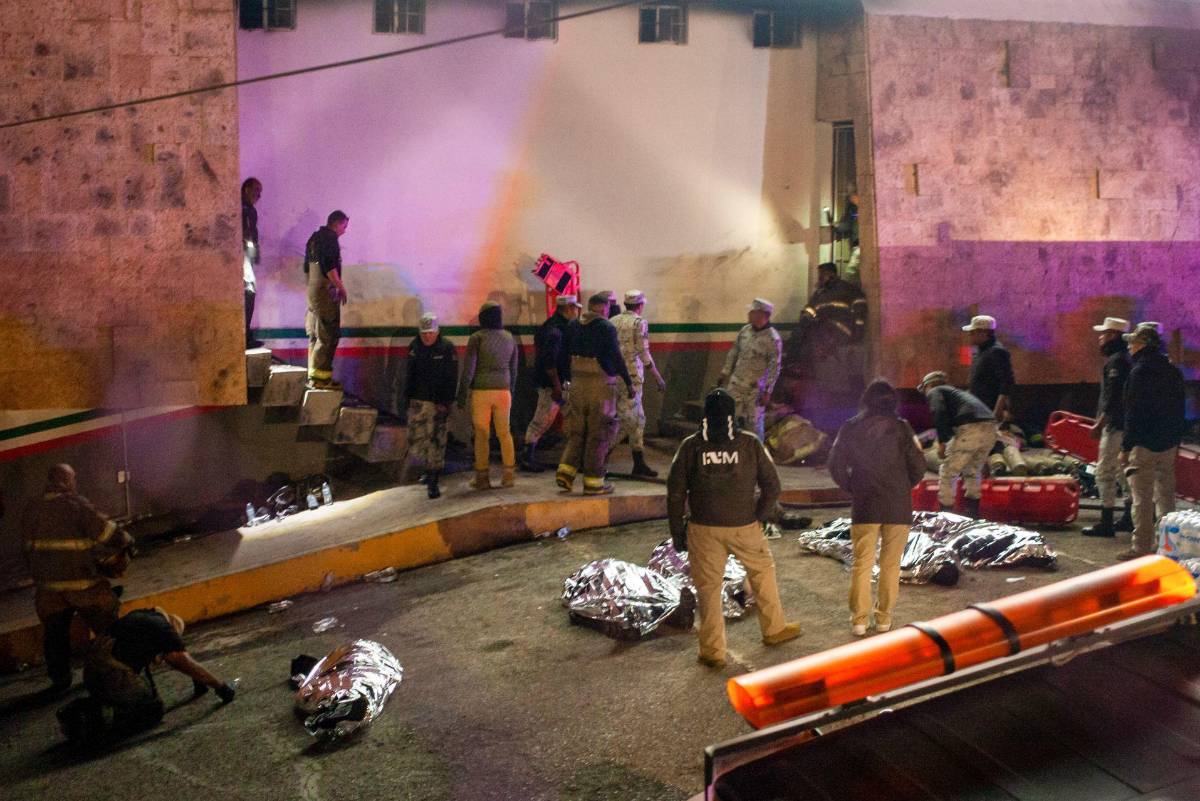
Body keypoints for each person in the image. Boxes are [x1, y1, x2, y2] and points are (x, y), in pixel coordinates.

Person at [667, 388, 800, 668]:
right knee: (762, 573)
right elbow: (773, 486)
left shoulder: (690, 446)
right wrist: (759, 517)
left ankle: (712, 652)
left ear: (704, 414)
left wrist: (678, 532)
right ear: (732, 415)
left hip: (703, 529)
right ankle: (774, 629)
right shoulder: (749, 443)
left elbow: (675, 493)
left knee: (708, 589)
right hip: (744, 526)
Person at [827, 380, 926, 636]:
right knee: (891, 565)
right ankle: (884, 619)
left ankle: (859, 621)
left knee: (862, 563)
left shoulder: (850, 427)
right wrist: (902, 486)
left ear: (866, 400)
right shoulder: (903, 428)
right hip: (897, 505)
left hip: (865, 505)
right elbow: (918, 466)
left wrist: (852, 486)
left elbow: (835, 465)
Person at [22, 464, 133, 692]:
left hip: (47, 590)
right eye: (73, 478)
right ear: (66, 481)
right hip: (82, 585)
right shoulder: (74, 505)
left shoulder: (31, 508)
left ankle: (60, 680)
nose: (74, 482)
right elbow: (107, 532)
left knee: (55, 636)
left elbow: (27, 549)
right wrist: (127, 541)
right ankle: (115, 671)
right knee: (107, 625)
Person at [59, 607, 235, 745]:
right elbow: (181, 661)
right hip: (112, 675)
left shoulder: (141, 618)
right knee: (152, 711)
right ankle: (95, 720)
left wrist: (198, 681)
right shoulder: (163, 630)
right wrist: (220, 686)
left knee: (141, 691)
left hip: (92, 674)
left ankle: (95, 708)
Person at [1118, 325, 1186, 560]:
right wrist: (1176, 438)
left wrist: (1126, 447)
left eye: (1132, 342)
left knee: (1142, 498)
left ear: (1143, 345)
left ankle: (1141, 547)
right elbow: (1180, 408)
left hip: (1144, 444)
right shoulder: (1173, 371)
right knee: (1166, 496)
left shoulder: (1139, 372)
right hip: (1168, 442)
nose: (1129, 346)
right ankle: (1167, 546)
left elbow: (1133, 413)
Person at [557, 293, 634, 495]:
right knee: (599, 433)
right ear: (604, 308)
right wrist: (628, 382)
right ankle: (594, 483)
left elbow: (562, 355)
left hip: (576, 384)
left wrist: (567, 381)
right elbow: (616, 356)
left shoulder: (572, 325)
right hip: (600, 386)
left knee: (577, 431)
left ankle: (565, 473)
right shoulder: (606, 327)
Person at [919, 371, 997, 518]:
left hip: (970, 428)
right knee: (973, 471)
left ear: (929, 384)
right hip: (991, 428)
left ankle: (946, 518)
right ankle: (973, 515)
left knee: (948, 472)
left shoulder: (935, 390)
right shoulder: (958, 394)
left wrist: (942, 442)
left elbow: (938, 413)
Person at [457, 301, 518, 490]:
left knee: (482, 434)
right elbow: (514, 369)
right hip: (504, 392)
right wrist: (511, 390)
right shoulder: (509, 337)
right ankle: (509, 475)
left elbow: (469, 370)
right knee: (504, 433)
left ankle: (482, 478)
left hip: (481, 392)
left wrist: (462, 394)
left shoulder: (477, 338)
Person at [1082, 317, 1133, 538]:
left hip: (1114, 426)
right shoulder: (1127, 358)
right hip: (1126, 425)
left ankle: (1106, 521)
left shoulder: (1116, 362)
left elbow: (1113, 397)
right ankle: (1129, 517)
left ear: (1113, 335)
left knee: (1104, 472)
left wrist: (1099, 423)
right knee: (1124, 471)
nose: (1100, 338)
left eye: (1103, 334)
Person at [520, 295, 582, 473]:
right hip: (552, 385)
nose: (577, 312)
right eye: (575, 308)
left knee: (571, 417)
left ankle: (575, 456)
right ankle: (527, 457)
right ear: (569, 308)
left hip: (559, 383)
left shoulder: (550, 326)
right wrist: (556, 386)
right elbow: (549, 361)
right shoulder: (556, 331)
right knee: (542, 420)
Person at [612, 289, 667, 478]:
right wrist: (658, 377)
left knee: (637, 419)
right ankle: (600, 455)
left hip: (614, 377)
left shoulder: (613, 321)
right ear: (640, 305)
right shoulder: (639, 322)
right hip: (632, 379)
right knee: (629, 420)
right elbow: (644, 352)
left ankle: (638, 462)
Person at [404, 313, 458, 499]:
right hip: (418, 402)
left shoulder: (447, 348)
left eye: (430, 333)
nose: (427, 336)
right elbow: (409, 374)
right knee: (418, 439)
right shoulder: (414, 347)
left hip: (438, 403)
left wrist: (446, 401)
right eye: (424, 333)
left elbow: (451, 377)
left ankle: (433, 480)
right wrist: (406, 398)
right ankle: (427, 469)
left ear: (437, 332)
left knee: (437, 439)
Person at [718, 298, 782, 441]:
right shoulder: (745, 331)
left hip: (755, 389)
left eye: (752, 311)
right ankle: (732, 449)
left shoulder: (773, 338)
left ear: (762, 314)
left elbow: (775, 366)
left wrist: (768, 391)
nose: (749, 314)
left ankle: (756, 451)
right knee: (729, 419)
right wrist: (725, 372)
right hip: (736, 384)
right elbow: (734, 352)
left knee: (753, 424)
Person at [304, 210, 350, 390]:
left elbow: (308, 268)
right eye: (344, 226)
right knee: (328, 334)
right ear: (336, 223)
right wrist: (340, 287)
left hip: (313, 291)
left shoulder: (314, 238)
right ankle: (321, 380)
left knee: (315, 335)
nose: (345, 230)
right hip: (324, 291)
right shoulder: (330, 239)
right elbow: (330, 267)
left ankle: (313, 376)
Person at [798, 262, 867, 344]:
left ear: (830, 274)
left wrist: (858, 333)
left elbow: (860, 310)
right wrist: (805, 316)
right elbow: (810, 308)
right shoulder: (820, 292)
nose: (819, 278)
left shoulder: (848, 289)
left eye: (822, 275)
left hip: (841, 331)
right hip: (824, 330)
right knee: (800, 335)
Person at [963, 315, 1015, 422]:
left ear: (983, 332)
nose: (970, 335)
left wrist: (998, 410)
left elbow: (1006, 382)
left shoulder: (996, 352)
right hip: (979, 408)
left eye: (972, 332)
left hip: (989, 409)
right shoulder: (979, 352)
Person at [241, 178, 263, 348]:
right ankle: (245, 336)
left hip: (247, 256)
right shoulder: (241, 209)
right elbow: (247, 235)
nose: (258, 195)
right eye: (256, 190)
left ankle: (246, 334)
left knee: (250, 292)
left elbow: (252, 234)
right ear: (246, 189)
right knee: (249, 291)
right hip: (242, 257)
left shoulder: (251, 211)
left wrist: (255, 254)